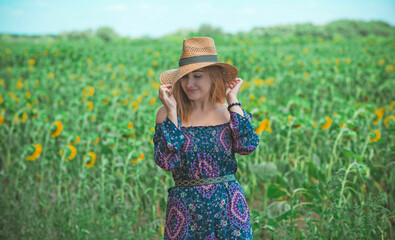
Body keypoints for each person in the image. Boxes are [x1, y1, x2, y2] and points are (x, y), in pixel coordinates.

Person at [153, 37, 259, 240]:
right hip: (185, 210)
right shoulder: (166, 113)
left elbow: (247, 146)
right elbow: (167, 162)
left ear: (213, 77)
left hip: (228, 208)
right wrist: (172, 113)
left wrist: (233, 100)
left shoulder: (229, 112)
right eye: (184, 77)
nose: (189, 84)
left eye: (198, 76)